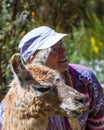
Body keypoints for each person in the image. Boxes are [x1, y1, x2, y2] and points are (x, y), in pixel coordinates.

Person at [0, 26, 104, 130]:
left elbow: (99, 124)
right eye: (54, 49)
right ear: (34, 59)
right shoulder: (7, 110)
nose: (63, 51)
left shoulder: (85, 79)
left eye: (61, 44)